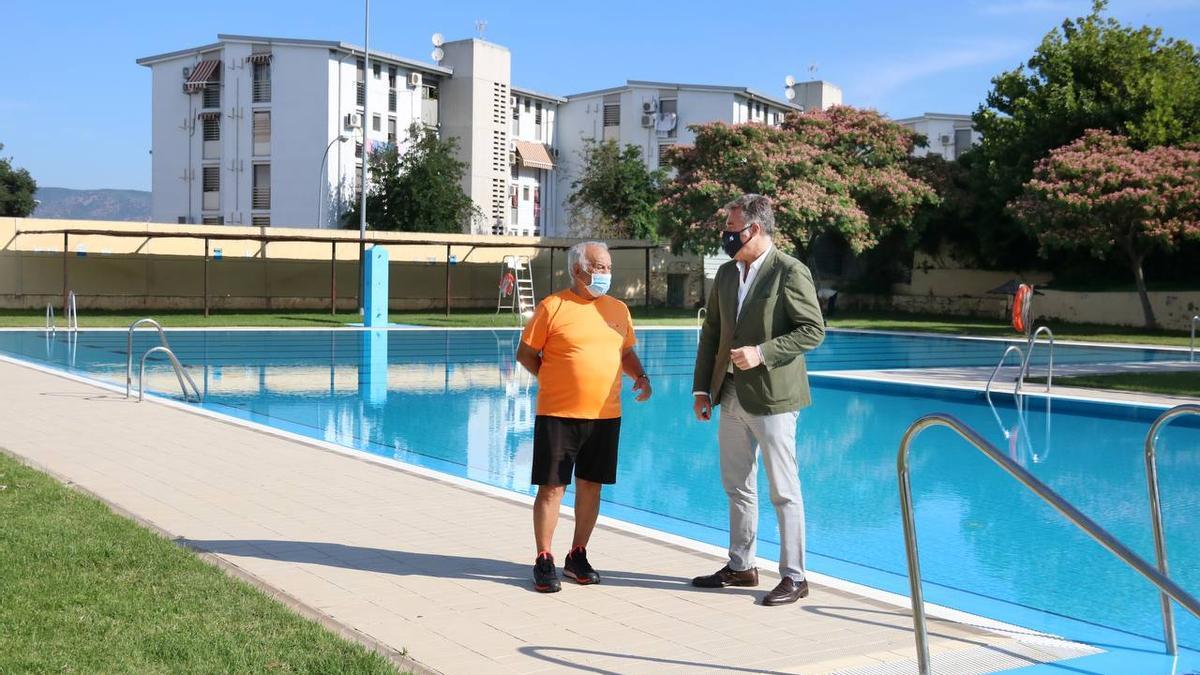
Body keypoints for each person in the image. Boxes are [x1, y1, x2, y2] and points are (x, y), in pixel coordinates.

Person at [690, 194, 825, 606]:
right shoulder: (728, 274)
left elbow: (812, 330)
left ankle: (794, 576)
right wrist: (702, 389)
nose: (726, 236)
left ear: (756, 229)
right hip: (729, 394)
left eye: (732, 229)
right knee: (736, 485)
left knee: (783, 489)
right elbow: (712, 332)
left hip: (774, 398)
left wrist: (762, 353)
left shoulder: (789, 271)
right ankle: (742, 566)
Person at [516, 241, 652, 593]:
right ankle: (544, 558)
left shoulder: (618, 309)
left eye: (608, 267)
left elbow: (625, 352)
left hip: (605, 415)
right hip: (558, 414)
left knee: (591, 486)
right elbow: (527, 353)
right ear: (578, 270)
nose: (606, 273)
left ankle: (577, 554)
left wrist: (641, 376)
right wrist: (553, 379)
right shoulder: (553, 306)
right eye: (599, 267)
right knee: (553, 487)